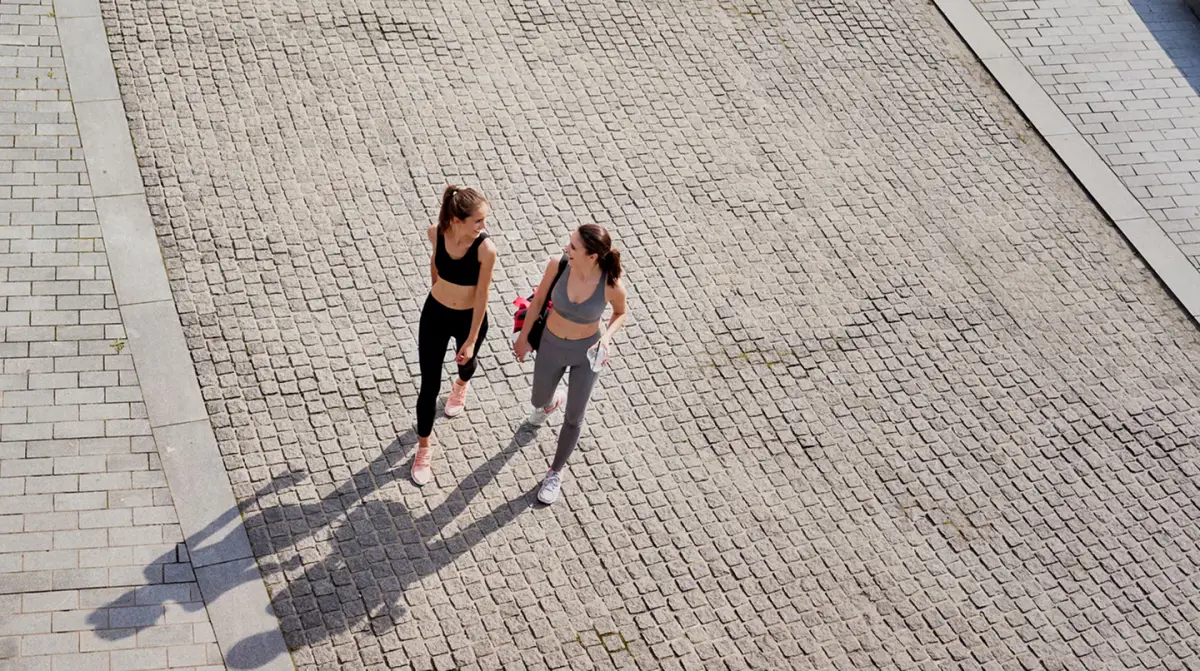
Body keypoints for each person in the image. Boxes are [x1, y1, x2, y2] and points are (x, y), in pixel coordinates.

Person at [513, 224, 628, 505]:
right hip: (551, 345)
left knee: (575, 417)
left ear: (592, 256)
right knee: (538, 398)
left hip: (586, 353)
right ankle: (550, 404)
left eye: (574, 246)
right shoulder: (558, 265)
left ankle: (555, 472)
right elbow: (539, 300)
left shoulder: (610, 284)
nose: (567, 249)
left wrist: (607, 339)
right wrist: (524, 338)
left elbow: (620, 312)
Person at [412, 186, 496, 486]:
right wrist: (438, 289)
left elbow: (483, 295)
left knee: (466, 365)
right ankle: (423, 447)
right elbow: (434, 263)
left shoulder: (486, 249)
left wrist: (472, 340)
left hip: (468, 319)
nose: (484, 227)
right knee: (429, 384)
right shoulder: (437, 232)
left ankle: (461, 384)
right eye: (478, 221)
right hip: (435, 315)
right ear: (458, 219)